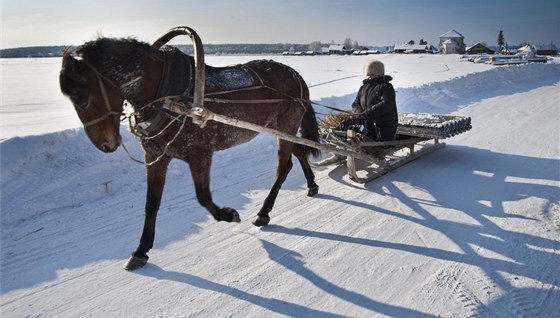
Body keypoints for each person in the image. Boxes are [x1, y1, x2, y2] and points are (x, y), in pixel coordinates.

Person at [340, 60, 398, 142]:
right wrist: (360, 113)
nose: (370, 76)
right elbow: (355, 104)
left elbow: (386, 104)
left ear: (379, 74)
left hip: (383, 126)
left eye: (373, 74)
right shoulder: (363, 88)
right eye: (369, 74)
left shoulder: (386, 86)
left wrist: (367, 114)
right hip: (368, 125)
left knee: (372, 145)